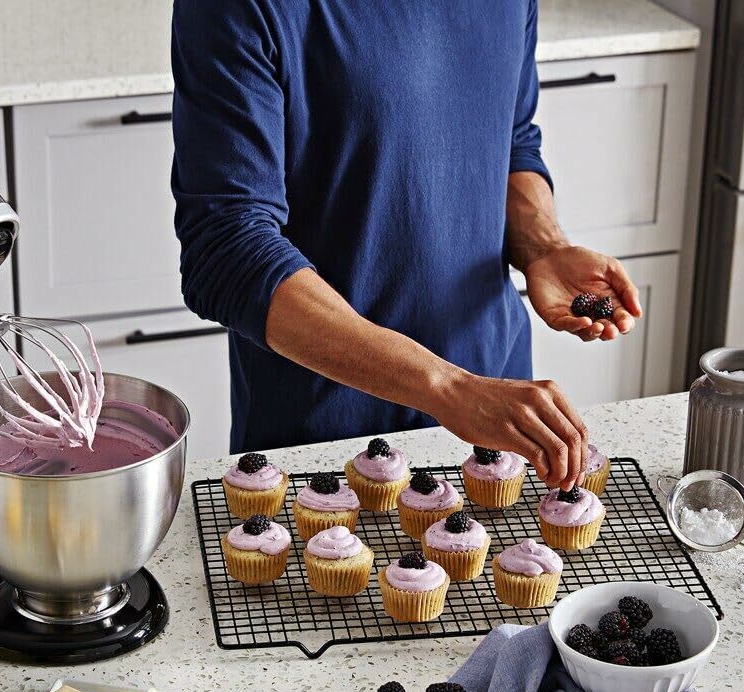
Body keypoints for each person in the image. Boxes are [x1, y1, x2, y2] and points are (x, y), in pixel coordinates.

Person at [171, 0, 642, 489]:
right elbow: (227, 249)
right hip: (321, 447)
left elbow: (512, 139)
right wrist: (449, 388)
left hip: (496, 421)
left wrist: (543, 246)